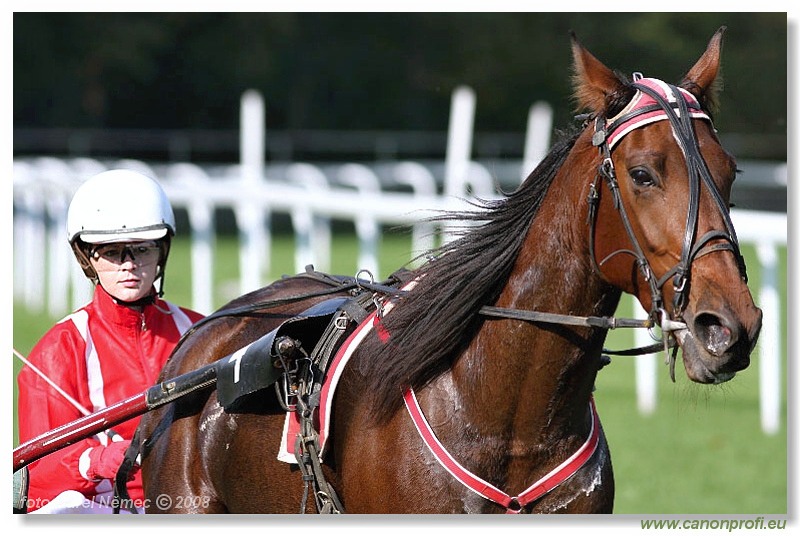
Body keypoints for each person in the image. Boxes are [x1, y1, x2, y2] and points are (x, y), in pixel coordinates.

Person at [16, 169, 205, 514]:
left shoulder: (199, 331)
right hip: (101, 510)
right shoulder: (59, 349)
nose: (129, 265)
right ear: (88, 257)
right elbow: (38, 474)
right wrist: (98, 459)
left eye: (142, 249)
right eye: (112, 252)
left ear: (161, 251)